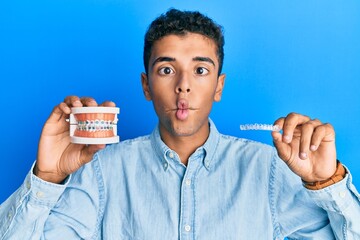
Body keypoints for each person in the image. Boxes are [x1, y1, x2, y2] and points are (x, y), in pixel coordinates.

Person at [0, 8, 359, 240]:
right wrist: (46, 178)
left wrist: (326, 182)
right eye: (166, 69)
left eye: (200, 70)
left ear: (219, 86)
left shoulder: (268, 169)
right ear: (146, 86)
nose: (183, 85)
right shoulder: (102, 172)